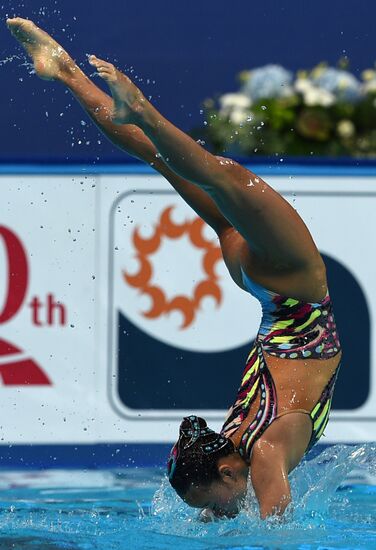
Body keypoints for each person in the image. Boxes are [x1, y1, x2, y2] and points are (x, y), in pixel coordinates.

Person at [7, 17, 342, 520]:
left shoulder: (255, 457)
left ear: (228, 475)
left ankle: (128, 103)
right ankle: (65, 72)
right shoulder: (237, 451)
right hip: (273, 291)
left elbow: (276, 536)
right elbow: (239, 511)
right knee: (177, 165)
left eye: (215, 505)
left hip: (291, 286)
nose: (220, 513)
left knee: (222, 176)